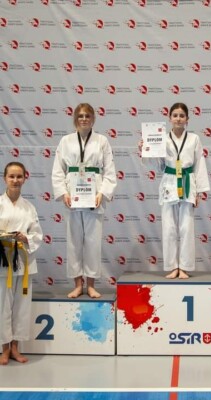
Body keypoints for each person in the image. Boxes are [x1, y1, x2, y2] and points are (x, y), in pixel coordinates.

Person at [52, 103, 117, 298]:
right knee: (74, 241)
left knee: (93, 241)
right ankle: (77, 285)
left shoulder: (102, 141)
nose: (84, 119)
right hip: (73, 193)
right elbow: (58, 170)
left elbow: (109, 171)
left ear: (93, 118)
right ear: (75, 119)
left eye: (87, 116)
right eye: (80, 116)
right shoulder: (65, 141)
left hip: (93, 194)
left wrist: (102, 193)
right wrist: (63, 192)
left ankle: (91, 285)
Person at [139, 102, 210, 279]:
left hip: (187, 182)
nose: (178, 119)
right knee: (169, 227)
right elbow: (159, 165)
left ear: (187, 119)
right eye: (175, 115)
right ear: (169, 118)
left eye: (181, 116)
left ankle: (184, 267)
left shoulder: (194, 139)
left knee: (187, 227)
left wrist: (199, 191)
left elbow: (199, 164)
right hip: (169, 183)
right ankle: (172, 266)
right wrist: (145, 150)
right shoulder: (161, 138)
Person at [0, 162, 43, 365]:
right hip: (3, 261)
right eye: (11, 176)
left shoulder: (29, 207)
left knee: (21, 307)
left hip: (24, 262)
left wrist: (26, 238)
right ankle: (4, 348)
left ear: (25, 179)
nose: (15, 180)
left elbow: (37, 234)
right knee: (3, 307)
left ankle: (16, 348)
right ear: (5, 178)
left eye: (19, 176)